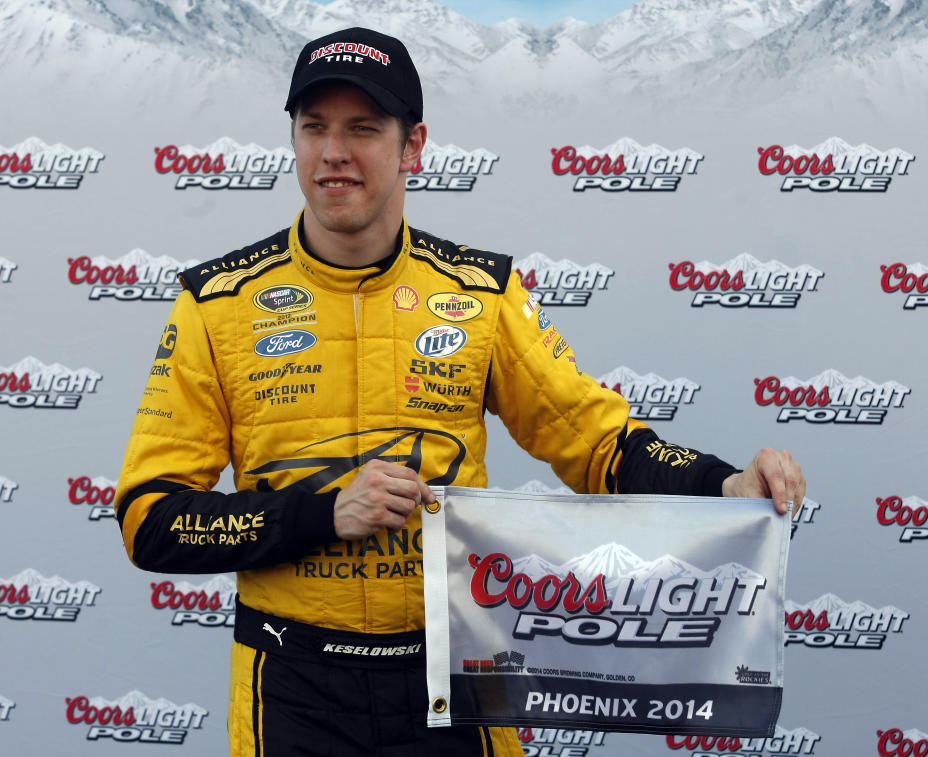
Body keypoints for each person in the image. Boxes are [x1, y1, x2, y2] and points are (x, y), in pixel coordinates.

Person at [115, 27, 805, 757]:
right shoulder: (215, 303)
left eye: (362, 128)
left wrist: (722, 482)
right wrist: (321, 512)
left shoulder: (480, 293)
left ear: (413, 145)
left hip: (453, 677)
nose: (332, 153)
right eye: (312, 127)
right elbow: (149, 519)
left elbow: (598, 443)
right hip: (289, 683)